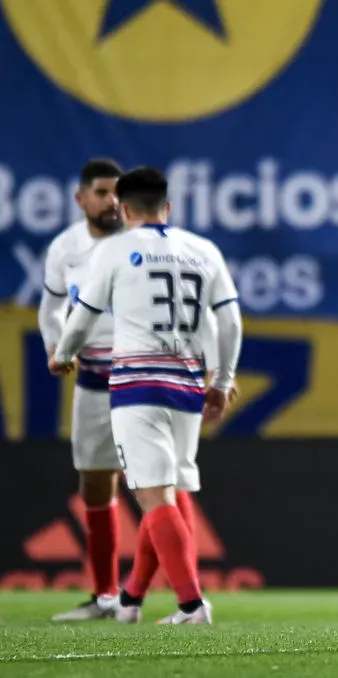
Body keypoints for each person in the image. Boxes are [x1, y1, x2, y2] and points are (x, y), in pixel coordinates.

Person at [50, 167, 243, 625]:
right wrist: (222, 381)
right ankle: (133, 596)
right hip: (189, 385)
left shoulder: (115, 248)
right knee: (168, 492)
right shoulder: (203, 249)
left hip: (138, 384)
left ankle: (192, 606)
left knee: (154, 497)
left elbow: (82, 315)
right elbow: (230, 321)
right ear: (168, 208)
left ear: (126, 209)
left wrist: (63, 353)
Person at [38, 159, 125, 621]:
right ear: (81, 198)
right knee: (95, 482)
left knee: (158, 483)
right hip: (92, 376)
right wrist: (58, 345)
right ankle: (107, 596)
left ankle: (180, 596)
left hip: (143, 373)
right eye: (102, 192)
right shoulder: (66, 248)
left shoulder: (138, 242)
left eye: (117, 193)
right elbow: (50, 308)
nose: (111, 201)